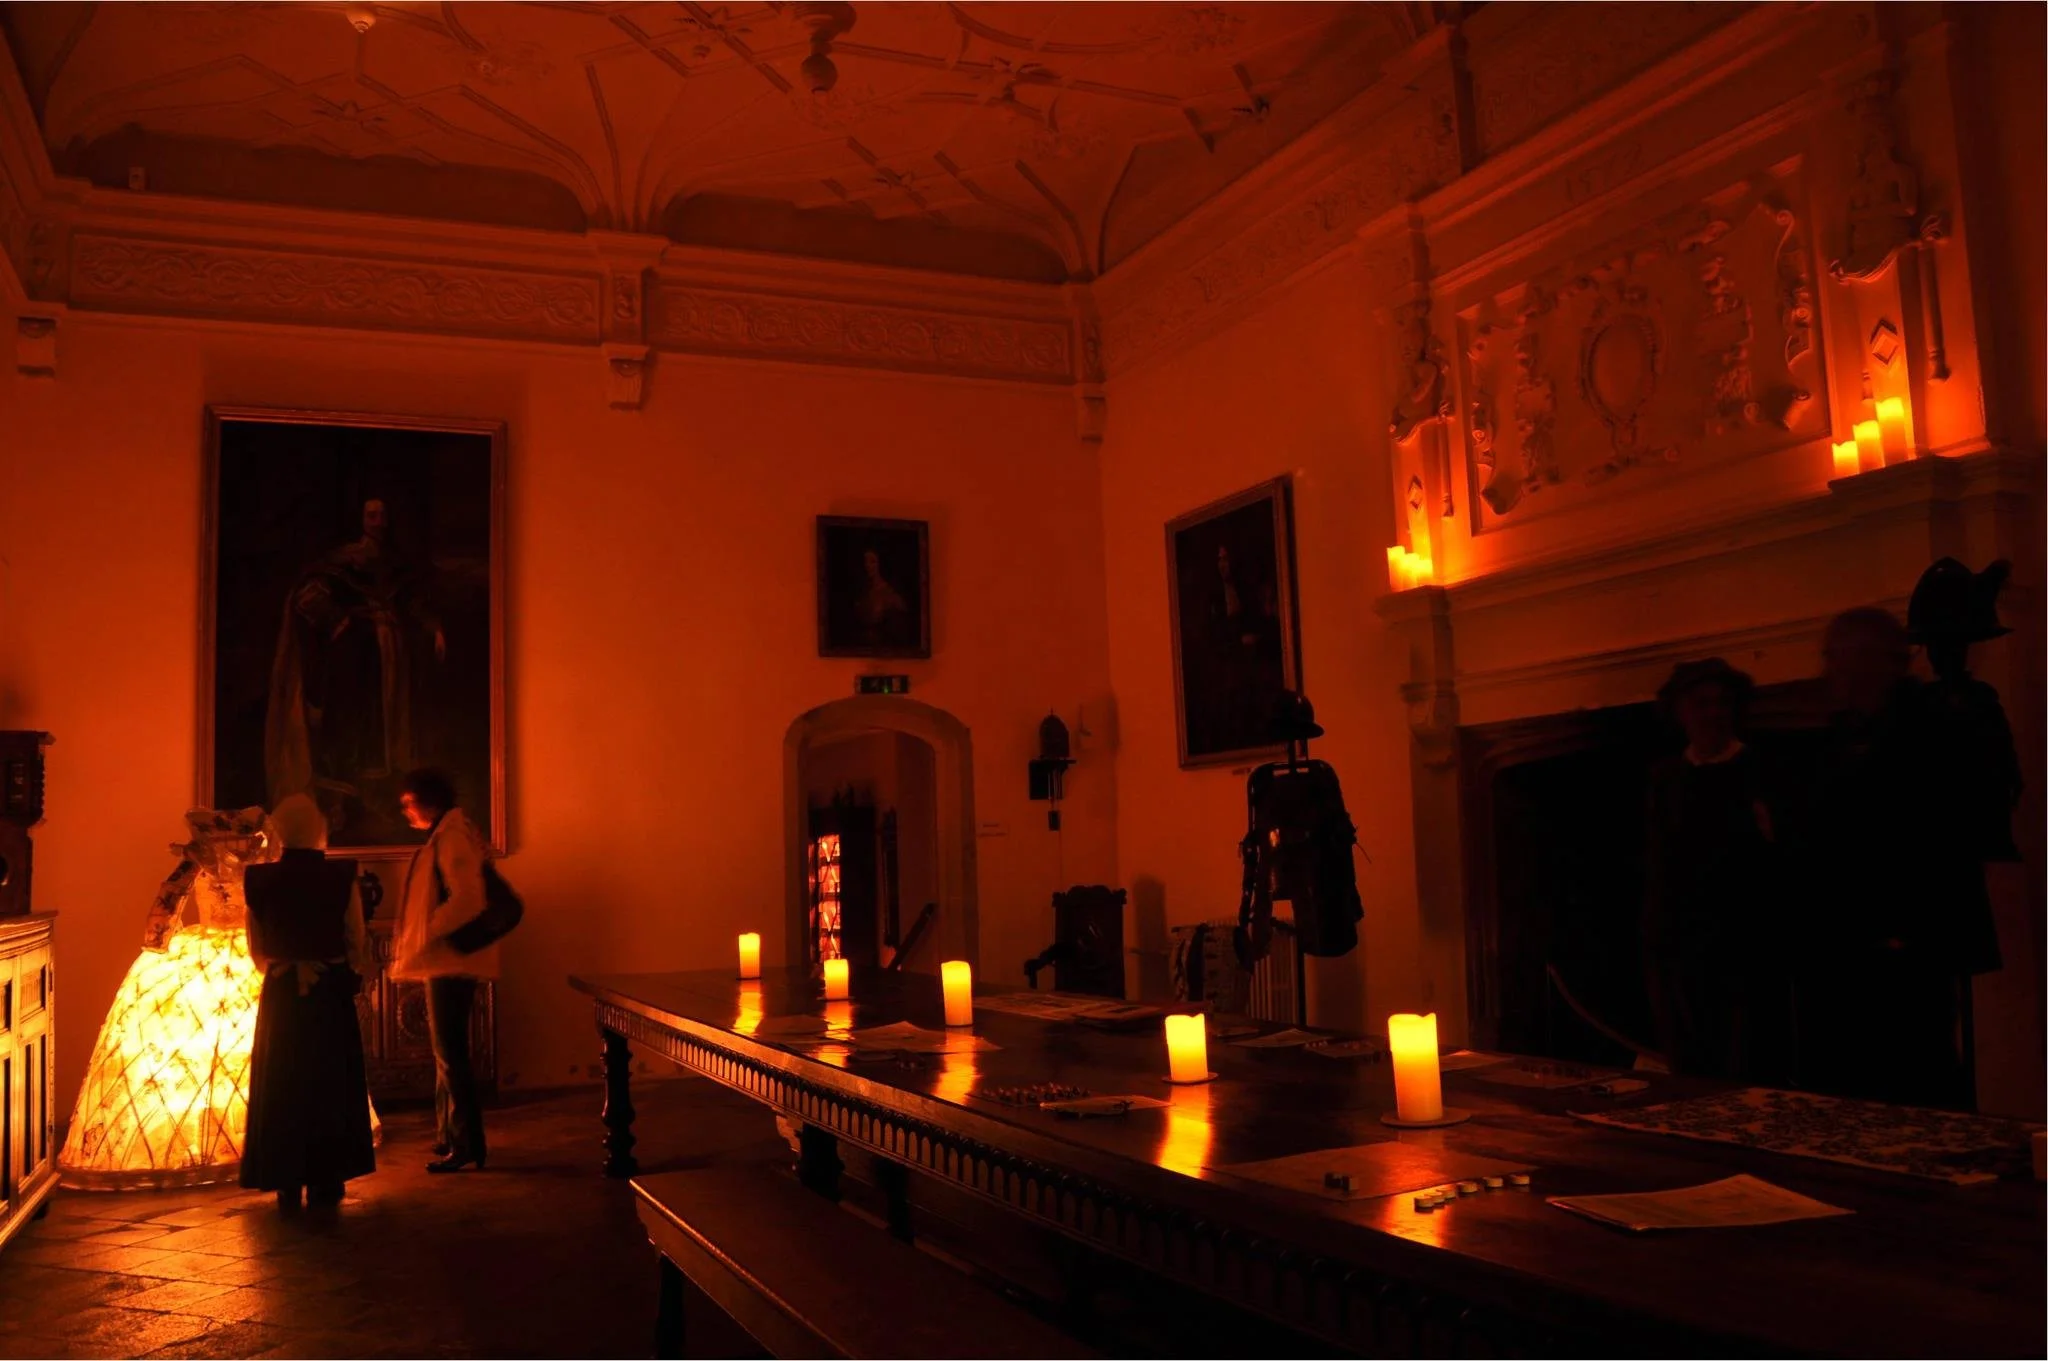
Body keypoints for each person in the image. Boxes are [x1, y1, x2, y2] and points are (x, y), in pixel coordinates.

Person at [1796, 606, 1970, 1107]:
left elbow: (1932, 829)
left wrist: (1901, 926)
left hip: (1903, 937)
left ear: (1869, 660)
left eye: (1835, 656)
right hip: (1849, 935)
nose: (1826, 669)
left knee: (1912, 1067)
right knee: (1854, 1071)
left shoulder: (1928, 727)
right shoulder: (1846, 736)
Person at [265, 496, 446, 841]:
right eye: (371, 515)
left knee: (396, 728)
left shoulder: (395, 563)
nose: (378, 522)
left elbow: (411, 601)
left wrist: (433, 627)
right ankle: (348, 804)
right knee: (361, 733)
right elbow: (308, 596)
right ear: (361, 519)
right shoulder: (342, 562)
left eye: (383, 515)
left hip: (395, 659)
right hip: (358, 663)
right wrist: (340, 621)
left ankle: (393, 798)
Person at [1641, 659, 1785, 1082]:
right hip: (1681, 941)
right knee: (1691, 1056)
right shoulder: (1665, 779)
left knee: (1745, 1058)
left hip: (1744, 940)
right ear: (1681, 712)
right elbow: (1656, 860)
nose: (1714, 713)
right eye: (1701, 704)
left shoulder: (1760, 769)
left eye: (1722, 703)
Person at [241, 794, 377, 1210]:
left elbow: (256, 946)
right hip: (328, 992)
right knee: (329, 1081)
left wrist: (282, 968)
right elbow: (355, 938)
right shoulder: (340, 877)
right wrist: (356, 977)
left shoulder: (259, 879)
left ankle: (285, 1179)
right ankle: (327, 1178)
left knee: (282, 1082)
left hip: (282, 995)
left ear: (278, 832)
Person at [391, 767, 496, 1171]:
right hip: (448, 959)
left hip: (450, 961)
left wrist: (427, 933)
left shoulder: (450, 836)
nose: (405, 811)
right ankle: (450, 1136)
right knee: (445, 1055)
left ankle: (468, 1144)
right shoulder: (448, 833)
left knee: (450, 1055)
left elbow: (468, 898)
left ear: (428, 801)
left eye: (408, 803)